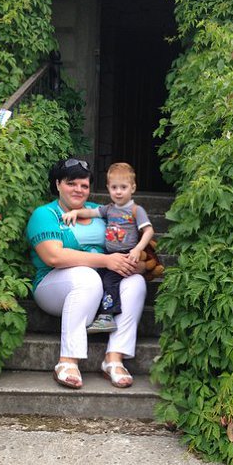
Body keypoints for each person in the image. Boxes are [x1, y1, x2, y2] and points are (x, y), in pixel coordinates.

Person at [26, 158, 147, 389]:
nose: (78, 190)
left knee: (135, 282)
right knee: (87, 276)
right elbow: (54, 257)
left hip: (103, 287)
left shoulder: (100, 211)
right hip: (55, 286)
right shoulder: (46, 214)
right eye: (71, 183)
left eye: (84, 185)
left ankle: (114, 359)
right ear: (58, 184)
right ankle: (68, 361)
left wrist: (131, 263)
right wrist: (106, 260)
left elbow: (130, 245)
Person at [62, 162, 154, 333]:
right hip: (109, 255)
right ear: (108, 188)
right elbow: (90, 212)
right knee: (100, 279)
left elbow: (149, 231)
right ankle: (100, 313)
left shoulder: (136, 210)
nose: (118, 192)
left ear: (133, 188)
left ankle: (107, 317)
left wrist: (137, 249)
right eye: (114, 187)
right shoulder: (109, 209)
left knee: (110, 281)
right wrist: (75, 212)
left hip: (126, 255)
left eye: (123, 187)